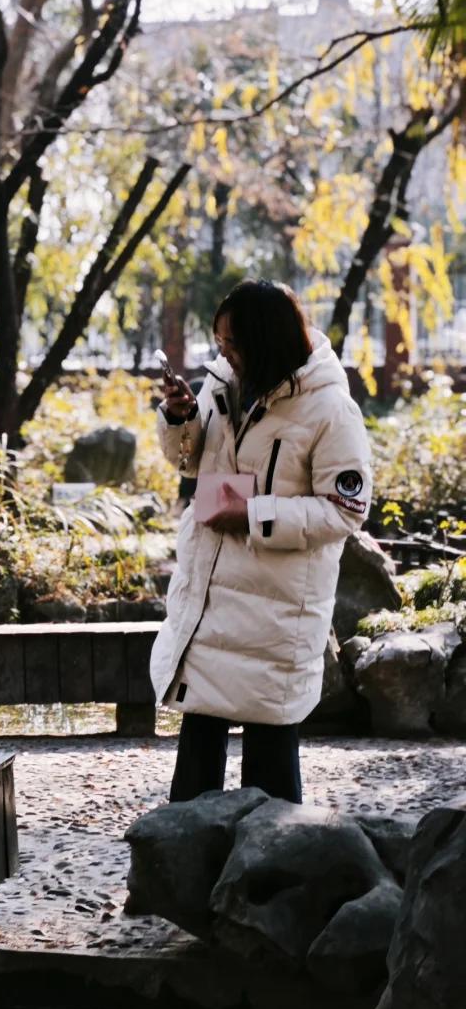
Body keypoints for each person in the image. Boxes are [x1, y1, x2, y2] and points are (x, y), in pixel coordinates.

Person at [152, 279, 372, 804]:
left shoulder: (330, 409)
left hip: (275, 609)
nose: (223, 353)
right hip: (209, 592)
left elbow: (347, 509)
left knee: (271, 774)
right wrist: (181, 417)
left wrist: (255, 515)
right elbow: (189, 460)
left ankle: (276, 883)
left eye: (233, 343)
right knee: (194, 768)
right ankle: (179, 880)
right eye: (220, 342)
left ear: (266, 340)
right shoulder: (223, 382)